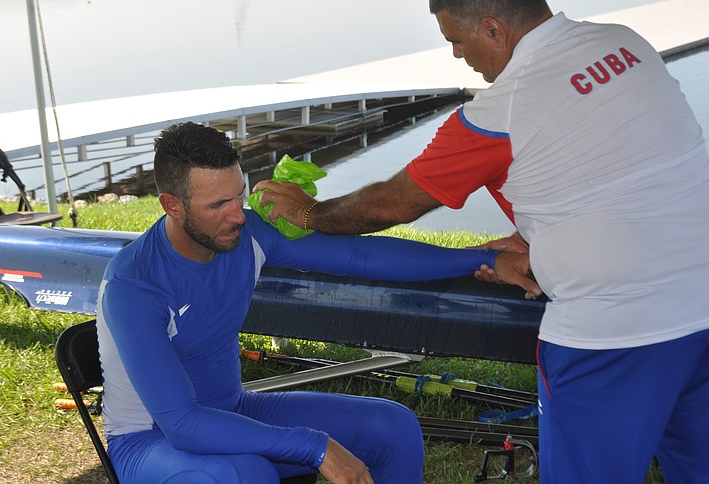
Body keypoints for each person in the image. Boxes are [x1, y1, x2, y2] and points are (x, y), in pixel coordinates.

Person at [253, 0, 709, 483]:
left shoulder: (500, 110)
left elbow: (394, 202)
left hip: (611, 332)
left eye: (456, 40)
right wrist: (541, 228)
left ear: (492, 28)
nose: (456, 56)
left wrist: (310, 212)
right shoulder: (624, 44)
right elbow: (631, 164)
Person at [96, 121, 539, 484]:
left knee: (394, 428)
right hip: (153, 443)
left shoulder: (247, 233)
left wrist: (485, 258)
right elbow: (184, 423)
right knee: (246, 472)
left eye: (239, 194)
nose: (238, 214)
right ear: (172, 205)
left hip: (234, 410)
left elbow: (361, 256)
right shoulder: (134, 286)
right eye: (218, 205)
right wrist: (316, 446)